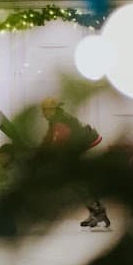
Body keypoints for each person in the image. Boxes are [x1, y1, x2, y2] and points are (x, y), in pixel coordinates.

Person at [40, 96, 108, 229]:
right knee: (79, 183)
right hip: (89, 146)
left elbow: (59, 142)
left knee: (80, 182)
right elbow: (49, 139)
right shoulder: (55, 119)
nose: (43, 114)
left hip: (91, 147)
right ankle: (96, 212)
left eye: (45, 111)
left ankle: (97, 212)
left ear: (51, 110)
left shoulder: (61, 121)